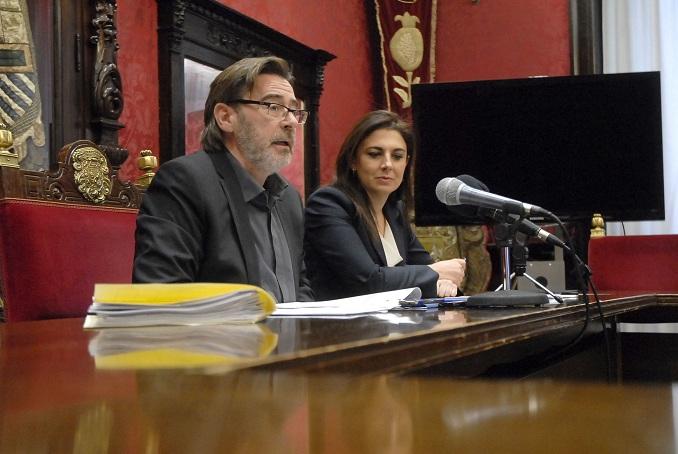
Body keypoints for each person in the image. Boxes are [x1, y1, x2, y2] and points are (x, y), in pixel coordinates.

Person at [133, 56, 313, 302]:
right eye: (273, 107)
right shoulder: (185, 181)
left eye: (294, 110)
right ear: (226, 117)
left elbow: (301, 287)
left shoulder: (290, 199)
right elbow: (161, 298)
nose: (291, 122)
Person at [304, 110, 466, 300]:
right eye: (374, 154)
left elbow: (426, 270)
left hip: (395, 325)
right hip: (341, 327)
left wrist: (441, 280)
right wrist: (434, 272)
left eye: (397, 156)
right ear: (353, 160)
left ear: (406, 164)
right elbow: (368, 281)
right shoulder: (329, 203)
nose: (387, 164)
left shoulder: (394, 212)